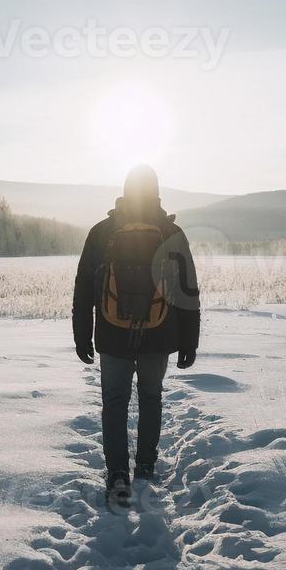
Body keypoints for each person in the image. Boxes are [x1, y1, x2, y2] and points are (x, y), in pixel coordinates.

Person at [72, 164, 200, 506]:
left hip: (112, 335)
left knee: (114, 403)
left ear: (125, 190)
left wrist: (81, 333)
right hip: (159, 334)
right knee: (150, 398)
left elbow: (83, 287)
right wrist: (189, 341)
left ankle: (117, 476)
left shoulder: (101, 232)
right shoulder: (172, 232)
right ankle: (144, 468)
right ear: (156, 192)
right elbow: (188, 292)